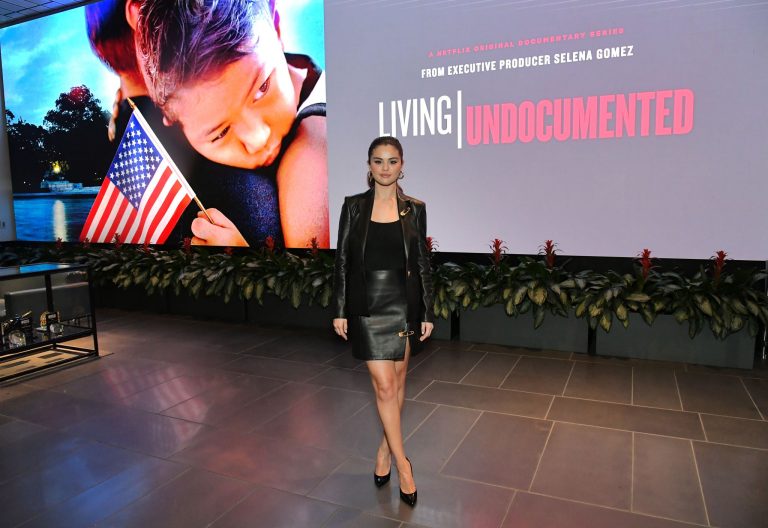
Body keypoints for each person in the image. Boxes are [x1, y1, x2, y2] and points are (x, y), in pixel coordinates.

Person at [128, 0, 329, 248]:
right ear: (173, 122)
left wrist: (242, 260)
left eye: (262, 88)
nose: (258, 139)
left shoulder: (314, 156)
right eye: (221, 133)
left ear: (277, 29)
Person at [332, 136, 434, 507]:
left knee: (399, 382)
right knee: (385, 386)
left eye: (392, 161)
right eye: (378, 161)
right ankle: (404, 465)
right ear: (369, 165)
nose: (385, 168)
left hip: (403, 304)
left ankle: (384, 450)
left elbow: (422, 263)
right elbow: (343, 260)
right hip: (367, 305)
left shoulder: (415, 209)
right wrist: (340, 308)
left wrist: (426, 312)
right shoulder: (353, 207)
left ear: (402, 165)